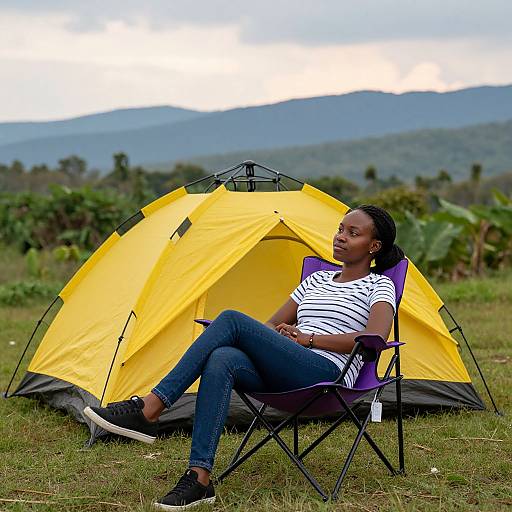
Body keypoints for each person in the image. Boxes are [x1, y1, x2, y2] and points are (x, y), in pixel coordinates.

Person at [84, 204, 404, 510]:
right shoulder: (316, 280)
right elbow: (267, 326)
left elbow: (373, 340)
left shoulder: (379, 286)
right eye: (339, 229)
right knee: (222, 357)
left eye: (353, 233)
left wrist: (308, 338)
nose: (340, 236)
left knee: (231, 319)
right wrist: (276, 338)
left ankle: (150, 408)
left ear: (374, 246)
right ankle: (199, 480)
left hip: (327, 374)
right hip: (287, 364)